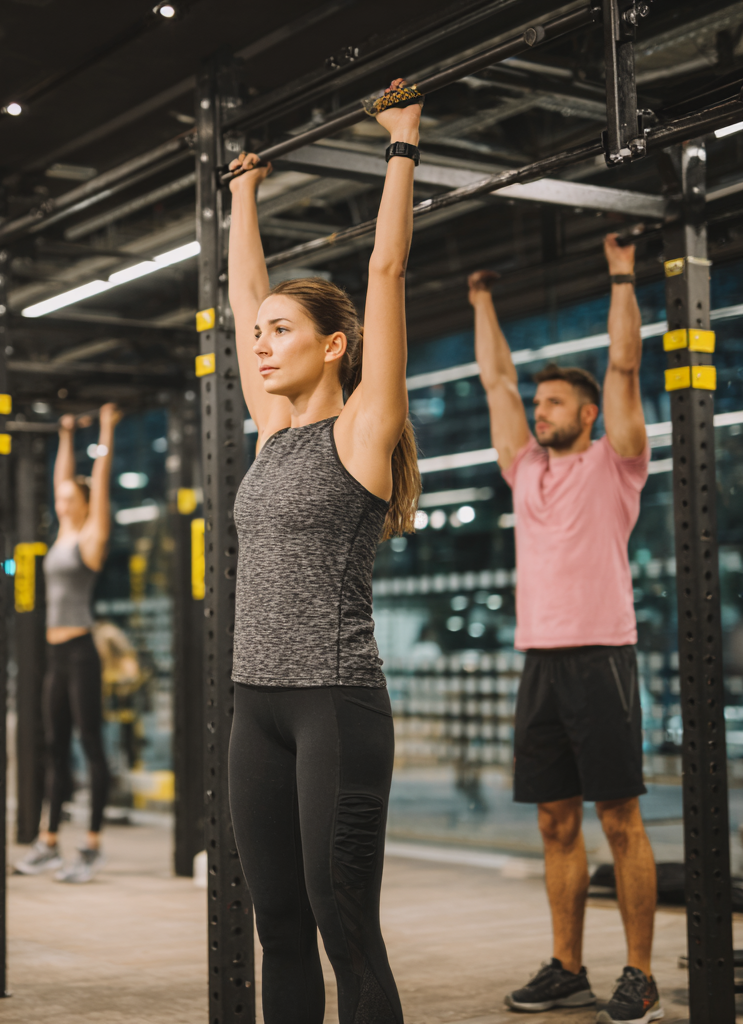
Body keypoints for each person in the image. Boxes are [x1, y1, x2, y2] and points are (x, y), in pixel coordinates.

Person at [225, 78, 422, 1024]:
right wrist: (241, 195)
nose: (260, 344)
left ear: (335, 346)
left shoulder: (361, 433)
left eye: (281, 333)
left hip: (332, 704)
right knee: (279, 927)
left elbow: (384, 274)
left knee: (346, 928)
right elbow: (239, 295)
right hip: (254, 704)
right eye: (259, 336)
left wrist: (401, 146)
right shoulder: (270, 435)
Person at [468, 235, 659, 1024]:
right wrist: (481, 301)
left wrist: (622, 274)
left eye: (552, 404)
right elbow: (496, 379)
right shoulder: (526, 471)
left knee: (619, 817)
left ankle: (639, 974)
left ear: (585, 416)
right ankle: (569, 967)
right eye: (537, 403)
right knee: (555, 820)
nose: (537, 410)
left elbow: (624, 368)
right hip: (539, 662)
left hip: (601, 657)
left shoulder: (616, 463)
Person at [13, 405, 119, 883]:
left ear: (80, 501)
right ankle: (49, 841)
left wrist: (105, 431)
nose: (59, 502)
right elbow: (64, 476)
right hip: (55, 656)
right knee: (54, 746)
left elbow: (98, 484)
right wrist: (63, 436)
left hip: (81, 653)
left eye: (66, 497)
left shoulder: (91, 535)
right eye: (56, 498)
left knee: (90, 746)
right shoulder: (61, 534)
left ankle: (92, 844)